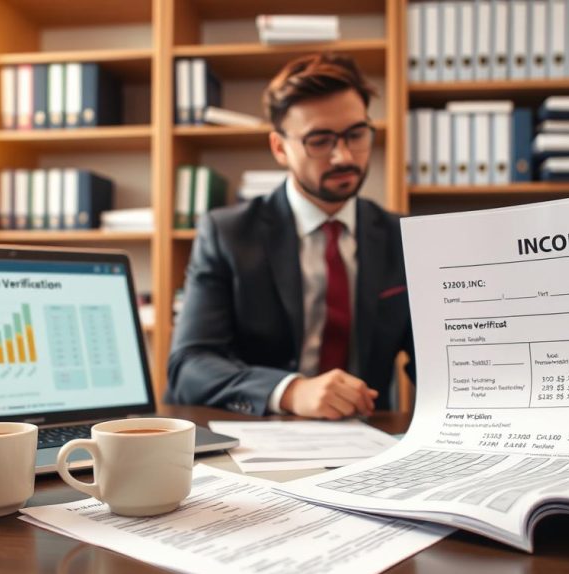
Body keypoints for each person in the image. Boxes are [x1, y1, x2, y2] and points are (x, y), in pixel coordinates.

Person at [165, 53, 415, 419]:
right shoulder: (228, 234)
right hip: (261, 431)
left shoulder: (404, 237)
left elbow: (439, 363)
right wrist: (290, 391)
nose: (343, 156)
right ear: (280, 148)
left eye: (356, 134)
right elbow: (189, 366)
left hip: (372, 433)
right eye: (320, 140)